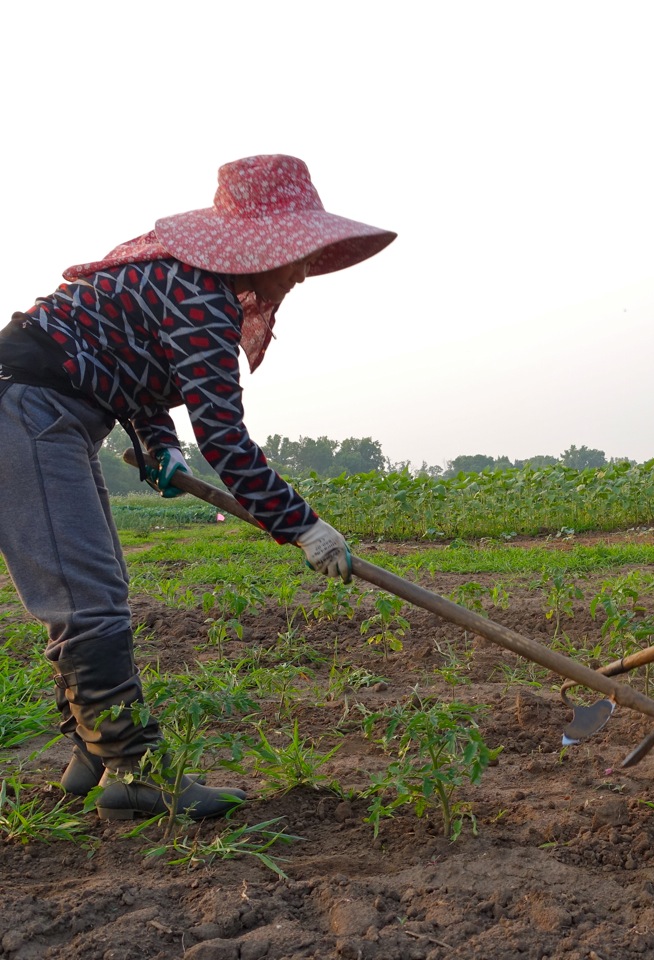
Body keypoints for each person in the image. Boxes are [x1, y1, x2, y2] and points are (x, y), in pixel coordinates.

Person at [0, 155, 395, 820]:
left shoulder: (176, 280)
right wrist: (303, 525)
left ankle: (93, 754)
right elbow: (227, 443)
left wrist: (158, 444)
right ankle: (135, 771)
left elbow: (125, 359)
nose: (301, 271)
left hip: (49, 412)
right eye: (297, 253)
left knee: (97, 589)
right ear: (258, 248)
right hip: (29, 411)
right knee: (86, 600)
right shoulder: (202, 300)